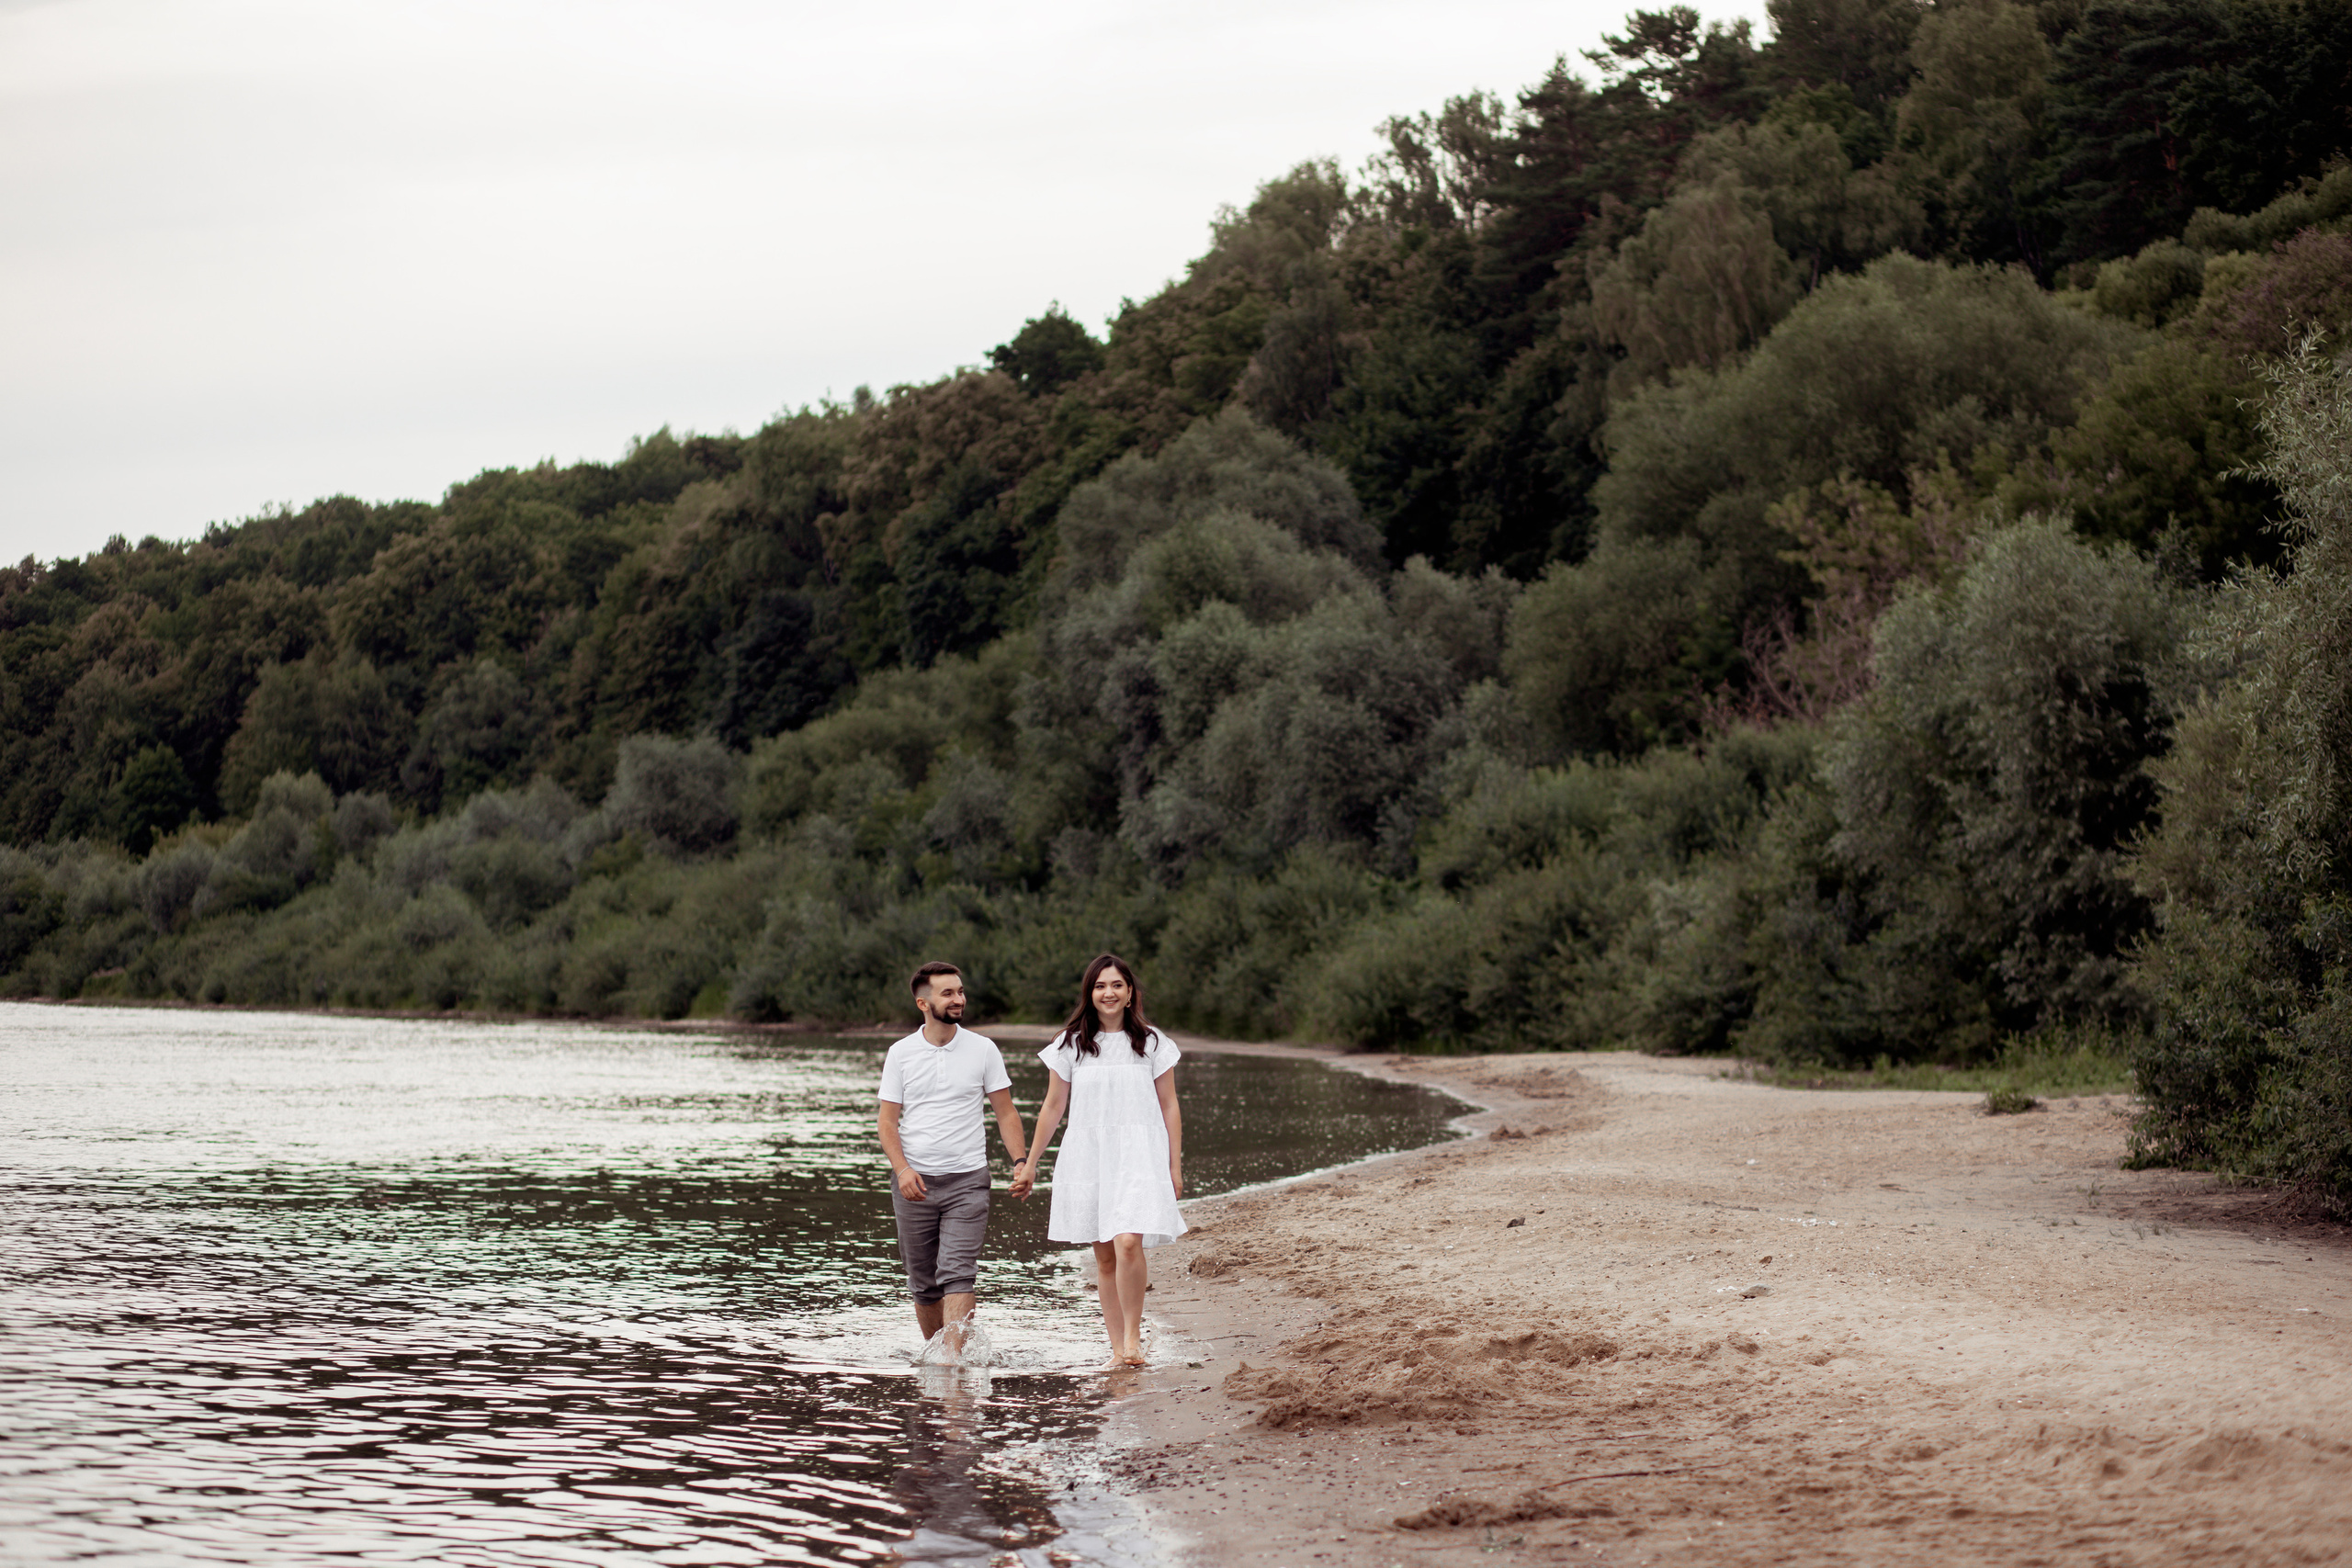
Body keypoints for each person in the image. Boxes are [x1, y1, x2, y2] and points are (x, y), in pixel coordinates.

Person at [1009, 953, 1184, 1367]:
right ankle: (1116, 1346)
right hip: (1089, 1155)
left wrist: (1174, 1165)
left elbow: (1170, 1105)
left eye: (1117, 985)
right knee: (1104, 1256)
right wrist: (1031, 1162)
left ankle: (1134, 1338)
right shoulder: (1070, 1044)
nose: (1108, 992)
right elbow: (1053, 1106)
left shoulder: (1153, 1042)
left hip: (1140, 1153)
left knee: (1127, 1243)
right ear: (1090, 993)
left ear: (1130, 994)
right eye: (1100, 985)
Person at [877, 962, 1029, 1351]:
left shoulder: (983, 1049)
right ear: (923, 1003)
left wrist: (1020, 1161)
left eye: (960, 991)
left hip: (968, 1180)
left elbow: (1006, 1111)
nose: (959, 999)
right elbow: (887, 1122)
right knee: (923, 1282)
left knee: (958, 1273)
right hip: (915, 1183)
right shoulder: (901, 1053)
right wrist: (903, 1169)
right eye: (948, 993)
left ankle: (952, 1365)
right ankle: (938, 1356)